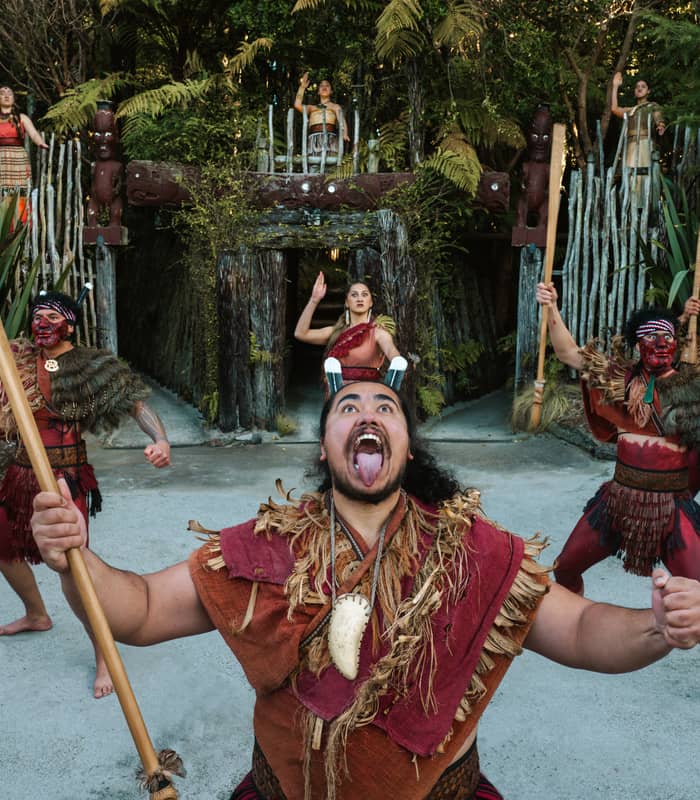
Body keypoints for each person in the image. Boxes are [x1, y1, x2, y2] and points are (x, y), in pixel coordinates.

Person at [31, 376, 700, 800]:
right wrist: (74, 561)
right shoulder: (267, 543)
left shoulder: (478, 549)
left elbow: (581, 631)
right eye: (347, 407)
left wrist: (658, 628)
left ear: (407, 448)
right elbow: (140, 610)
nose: (367, 412)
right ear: (325, 448)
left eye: (387, 407)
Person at [0, 290, 171, 699]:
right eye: (36, 314)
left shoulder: (91, 364)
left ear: (69, 324)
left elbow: (136, 404)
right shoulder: (16, 358)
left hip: (65, 478)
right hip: (17, 474)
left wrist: (160, 439)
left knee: (74, 569)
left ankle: (103, 656)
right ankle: (37, 614)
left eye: (50, 316)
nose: (41, 321)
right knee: (4, 549)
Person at [536, 281, 700, 594]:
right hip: (618, 504)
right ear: (638, 345)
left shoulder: (690, 387)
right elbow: (568, 353)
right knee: (565, 567)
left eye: (668, 337)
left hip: (671, 509)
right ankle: (576, 629)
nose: (662, 343)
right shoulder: (617, 380)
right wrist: (552, 306)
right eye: (652, 337)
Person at [294, 271, 400, 383]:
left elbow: (390, 350)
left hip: (368, 394)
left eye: (364, 295)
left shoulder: (379, 332)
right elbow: (301, 334)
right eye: (354, 295)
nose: (360, 299)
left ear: (370, 303)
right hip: (339, 395)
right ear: (346, 303)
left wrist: (397, 361)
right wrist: (314, 300)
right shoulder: (335, 332)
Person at [611, 71, 665, 172]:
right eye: (637, 87)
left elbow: (658, 118)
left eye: (643, 86)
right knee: (630, 176)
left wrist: (660, 125)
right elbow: (614, 109)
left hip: (646, 143)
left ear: (648, 91)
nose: (639, 88)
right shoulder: (630, 110)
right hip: (630, 145)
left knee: (644, 174)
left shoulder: (652, 106)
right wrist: (615, 86)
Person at [0, 86, 48, 191]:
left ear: (13, 98)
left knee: (19, 190)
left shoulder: (22, 118)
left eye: (9, 94)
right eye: (3, 93)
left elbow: (34, 134)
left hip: (18, 157)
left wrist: (40, 143)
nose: (6, 96)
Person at [294, 72, 350, 159]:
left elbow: (342, 120)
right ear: (318, 92)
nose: (324, 87)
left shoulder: (335, 106)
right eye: (321, 86)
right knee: (314, 165)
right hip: (313, 140)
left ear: (331, 91)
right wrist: (302, 87)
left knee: (330, 165)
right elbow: (297, 105)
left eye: (327, 85)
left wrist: (345, 133)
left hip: (330, 139)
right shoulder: (311, 108)